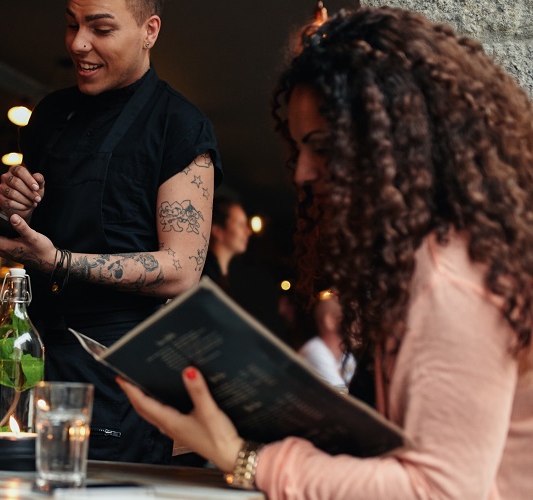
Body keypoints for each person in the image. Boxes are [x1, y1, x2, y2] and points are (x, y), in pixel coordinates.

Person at [119, 7, 533, 498]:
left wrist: (245, 458)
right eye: (299, 150)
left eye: (323, 146)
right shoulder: (435, 254)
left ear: (395, 141)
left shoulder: (447, 279)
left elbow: (440, 490)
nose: (302, 174)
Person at [0, 0, 220, 464]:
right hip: (25, 355)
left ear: (149, 30)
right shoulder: (52, 114)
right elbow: (33, 233)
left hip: (115, 371)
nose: (79, 44)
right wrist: (15, 205)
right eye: (71, 25)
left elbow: (181, 269)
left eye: (100, 29)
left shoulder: (179, 125)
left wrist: (57, 260)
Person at [297, 291, 354, 391]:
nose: (359, 326)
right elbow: (340, 398)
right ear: (329, 321)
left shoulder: (349, 359)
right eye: (351, 316)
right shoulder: (315, 352)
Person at [201, 195, 251, 291]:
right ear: (217, 230)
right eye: (240, 224)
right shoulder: (203, 274)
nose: (248, 232)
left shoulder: (232, 278)